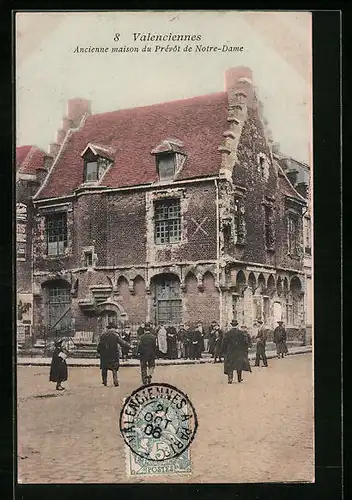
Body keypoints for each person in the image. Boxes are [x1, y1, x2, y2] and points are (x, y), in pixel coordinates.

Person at [97, 321, 131, 386]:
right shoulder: (115, 335)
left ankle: (104, 381)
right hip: (113, 353)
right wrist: (130, 346)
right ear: (113, 328)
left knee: (104, 368)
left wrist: (99, 351)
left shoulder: (103, 335)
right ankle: (115, 381)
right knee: (114, 368)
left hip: (104, 354)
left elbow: (100, 345)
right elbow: (122, 343)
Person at [223, 320, 252, 384]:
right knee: (239, 365)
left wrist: (224, 351)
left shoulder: (228, 333)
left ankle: (230, 379)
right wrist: (244, 350)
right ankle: (239, 378)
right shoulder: (241, 333)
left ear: (231, 325)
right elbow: (245, 342)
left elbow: (224, 343)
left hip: (230, 351)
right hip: (239, 352)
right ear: (237, 325)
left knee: (230, 365)